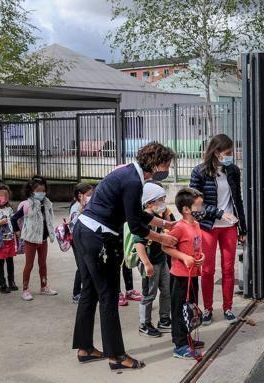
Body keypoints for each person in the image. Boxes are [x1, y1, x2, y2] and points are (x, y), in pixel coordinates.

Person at [72, 142, 177, 369]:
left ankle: (85, 348)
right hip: (98, 237)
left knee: (89, 291)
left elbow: (135, 213)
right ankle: (116, 356)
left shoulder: (129, 173)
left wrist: (165, 223)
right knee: (109, 295)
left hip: (84, 231)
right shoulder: (132, 181)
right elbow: (136, 225)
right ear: (156, 163)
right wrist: (162, 238)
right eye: (166, 165)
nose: (167, 169)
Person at [189, 134, 247, 326]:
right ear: (216, 152)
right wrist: (220, 213)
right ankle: (207, 309)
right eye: (228, 153)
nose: (231, 156)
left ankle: (228, 308)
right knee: (207, 270)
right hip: (208, 226)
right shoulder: (199, 172)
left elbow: (237, 200)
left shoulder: (233, 171)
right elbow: (195, 205)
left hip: (229, 227)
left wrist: (243, 227)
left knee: (229, 269)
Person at [162, 187, 206, 360]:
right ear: (186, 209)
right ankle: (179, 345)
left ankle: (187, 339)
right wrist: (184, 257)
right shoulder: (179, 227)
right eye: (198, 207)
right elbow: (165, 246)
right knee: (180, 310)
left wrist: (200, 257)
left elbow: (197, 248)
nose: (201, 210)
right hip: (180, 276)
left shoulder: (196, 224)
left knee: (190, 309)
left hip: (193, 274)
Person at [135, 182, 175, 338]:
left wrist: (165, 214)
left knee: (166, 290)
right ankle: (144, 324)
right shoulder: (143, 219)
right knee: (149, 294)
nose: (163, 203)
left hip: (162, 260)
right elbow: (139, 243)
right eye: (161, 200)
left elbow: (170, 228)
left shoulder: (159, 216)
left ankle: (164, 320)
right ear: (150, 202)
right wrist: (146, 264)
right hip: (150, 263)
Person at [11, 176, 57, 301]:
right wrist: (18, 232)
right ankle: (25, 290)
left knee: (43, 264)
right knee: (29, 265)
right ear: (31, 191)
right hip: (30, 240)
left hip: (43, 239)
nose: (41, 193)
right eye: (38, 191)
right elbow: (14, 218)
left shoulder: (47, 204)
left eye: (43, 190)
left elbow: (48, 220)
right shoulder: (27, 205)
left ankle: (44, 286)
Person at [69, 183, 93, 304]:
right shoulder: (76, 207)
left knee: (86, 267)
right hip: (77, 241)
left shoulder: (88, 205)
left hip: (85, 240)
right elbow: (72, 224)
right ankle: (76, 293)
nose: (91, 196)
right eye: (89, 195)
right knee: (81, 267)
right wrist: (80, 211)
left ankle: (85, 291)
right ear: (80, 195)